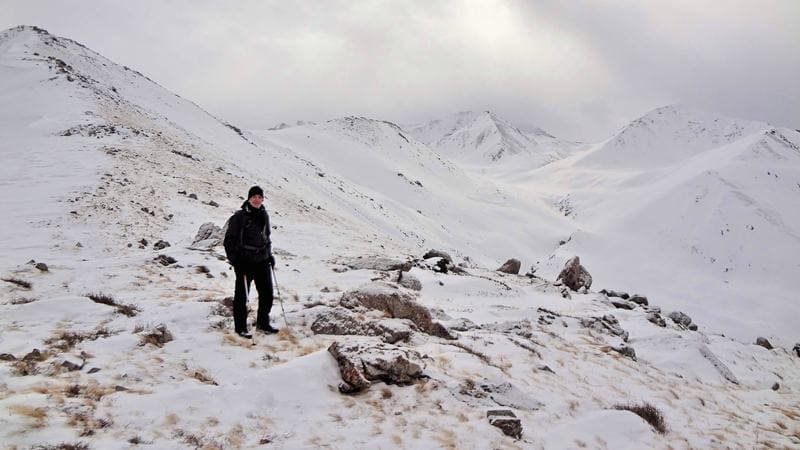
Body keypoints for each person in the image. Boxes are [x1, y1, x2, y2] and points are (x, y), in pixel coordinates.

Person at [224, 186, 278, 338]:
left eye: (259, 197)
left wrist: (269, 255)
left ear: (262, 199)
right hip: (244, 262)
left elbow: (266, 238)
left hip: (262, 260)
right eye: (253, 196)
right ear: (249, 199)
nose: (256, 199)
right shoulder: (239, 217)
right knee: (242, 295)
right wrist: (235, 261)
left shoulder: (264, 215)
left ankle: (263, 323)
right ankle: (240, 328)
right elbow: (229, 241)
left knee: (267, 293)